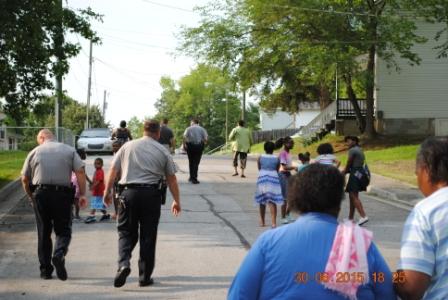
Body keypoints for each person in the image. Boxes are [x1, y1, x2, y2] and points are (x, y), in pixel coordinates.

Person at [228, 164, 396, 299]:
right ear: (339, 201)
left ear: (295, 200)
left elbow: (239, 295)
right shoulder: (360, 243)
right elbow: (387, 293)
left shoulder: (268, 242)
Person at [103, 120, 181, 288]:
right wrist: (177, 200)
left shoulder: (127, 147)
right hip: (151, 195)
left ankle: (123, 264)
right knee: (148, 236)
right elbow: (171, 178)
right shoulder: (162, 150)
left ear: (143, 130)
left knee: (125, 232)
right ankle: (144, 277)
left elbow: (113, 170)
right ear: (158, 133)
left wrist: (107, 191)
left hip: (128, 195)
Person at [21, 129, 87, 281]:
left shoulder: (34, 152)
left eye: (38, 139)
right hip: (62, 195)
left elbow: (24, 178)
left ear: (42, 137)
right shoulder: (69, 150)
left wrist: (31, 196)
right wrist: (82, 194)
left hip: (41, 194)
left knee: (43, 232)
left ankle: (45, 271)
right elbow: (80, 172)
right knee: (63, 229)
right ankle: (59, 253)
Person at [395, 137, 448, 300]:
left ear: (426, 170)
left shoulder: (427, 211)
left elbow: (411, 287)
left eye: (417, 173)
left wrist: (392, 276)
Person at [254, 141, 283, 228]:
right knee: (272, 200)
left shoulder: (260, 157)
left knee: (262, 200)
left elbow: (259, 168)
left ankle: (262, 222)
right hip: (273, 177)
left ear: (264, 148)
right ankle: (273, 222)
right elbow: (277, 169)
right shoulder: (277, 158)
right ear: (273, 149)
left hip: (262, 177)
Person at [342, 136, 369, 226]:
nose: (347, 143)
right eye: (346, 142)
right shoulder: (359, 149)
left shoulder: (352, 150)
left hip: (355, 173)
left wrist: (343, 172)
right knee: (352, 195)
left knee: (353, 195)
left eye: (348, 141)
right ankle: (350, 218)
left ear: (354, 141)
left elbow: (349, 163)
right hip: (359, 172)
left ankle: (363, 216)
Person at [84, 158, 110, 224]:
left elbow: (99, 181)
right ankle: (106, 215)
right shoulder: (96, 171)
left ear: (102, 164)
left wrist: (93, 186)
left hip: (99, 191)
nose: (96, 165)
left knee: (95, 204)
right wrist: (91, 183)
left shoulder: (100, 171)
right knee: (100, 205)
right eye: (95, 163)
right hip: (97, 191)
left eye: (98, 163)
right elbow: (94, 180)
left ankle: (92, 215)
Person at [183, 118, 208, 184]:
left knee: (191, 162)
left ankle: (191, 177)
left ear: (193, 122)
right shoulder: (202, 129)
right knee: (196, 162)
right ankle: (194, 178)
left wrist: (184, 145)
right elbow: (205, 139)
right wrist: (202, 145)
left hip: (190, 146)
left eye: (191, 123)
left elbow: (184, 137)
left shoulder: (188, 128)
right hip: (198, 146)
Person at [278, 136, 295, 224]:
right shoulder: (283, 153)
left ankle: (288, 214)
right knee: (285, 197)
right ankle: (283, 217)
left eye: (293, 143)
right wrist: (294, 167)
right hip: (283, 175)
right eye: (291, 143)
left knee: (292, 196)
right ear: (285, 144)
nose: (293, 144)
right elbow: (284, 166)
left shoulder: (288, 153)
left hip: (288, 175)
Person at [71, 148, 91, 221]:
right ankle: (77, 215)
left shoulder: (72, 162)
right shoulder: (81, 164)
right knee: (77, 200)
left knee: (71, 199)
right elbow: (83, 174)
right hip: (78, 181)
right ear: (80, 155)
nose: (85, 155)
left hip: (71, 181)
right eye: (84, 154)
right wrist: (89, 181)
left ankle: (72, 215)